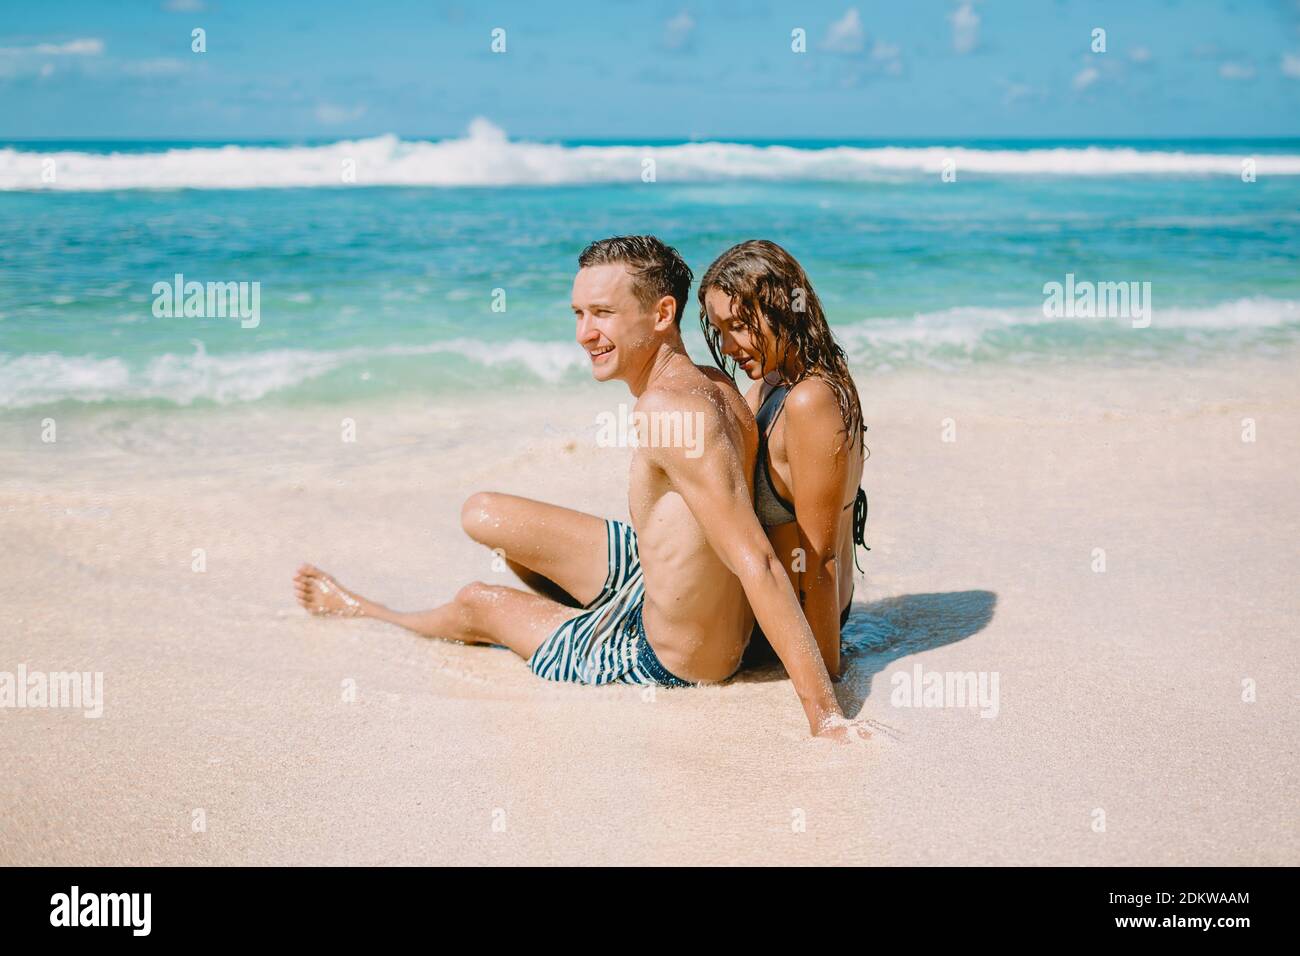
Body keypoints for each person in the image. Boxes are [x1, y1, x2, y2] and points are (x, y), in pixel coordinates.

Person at [295, 235, 868, 740]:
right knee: (485, 514)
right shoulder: (718, 383)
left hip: (664, 655)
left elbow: (761, 563)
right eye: (577, 313)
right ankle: (578, 612)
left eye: (601, 314)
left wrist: (827, 716)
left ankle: (365, 609)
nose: (583, 334)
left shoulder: (675, 411)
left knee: (477, 601)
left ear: (661, 313)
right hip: (654, 582)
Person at [698, 240, 868, 679]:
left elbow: (821, 559)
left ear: (783, 308)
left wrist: (827, 681)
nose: (729, 345)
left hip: (795, 625)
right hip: (782, 614)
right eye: (719, 331)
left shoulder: (811, 400)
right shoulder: (777, 380)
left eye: (738, 325)